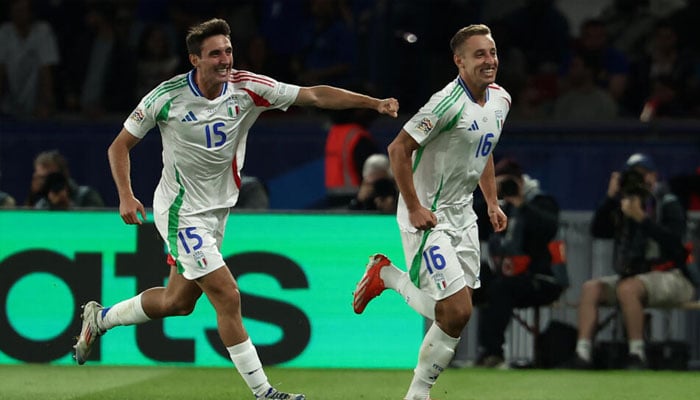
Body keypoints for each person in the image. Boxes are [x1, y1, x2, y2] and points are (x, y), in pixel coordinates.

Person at [73, 18, 398, 400]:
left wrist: (372, 103)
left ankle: (102, 317)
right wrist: (127, 196)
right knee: (227, 295)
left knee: (178, 303)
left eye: (228, 51)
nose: (225, 60)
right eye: (215, 54)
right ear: (195, 59)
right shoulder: (167, 96)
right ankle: (265, 393)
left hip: (216, 212)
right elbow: (119, 147)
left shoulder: (247, 88)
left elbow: (312, 95)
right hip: (180, 212)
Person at [352, 24, 510, 400]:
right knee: (454, 310)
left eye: (492, 53)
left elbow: (482, 152)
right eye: (479, 55)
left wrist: (491, 201)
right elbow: (397, 149)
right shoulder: (445, 103)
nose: (489, 61)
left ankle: (386, 275)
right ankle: (417, 394)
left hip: (463, 216)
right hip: (428, 217)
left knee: (458, 312)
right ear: (459, 61)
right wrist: (414, 206)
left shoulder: (501, 99)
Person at [566, 153, 694, 369]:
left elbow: (675, 244)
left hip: (673, 277)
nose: (638, 182)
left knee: (627, 289)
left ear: (654, 176)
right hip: (635, 277)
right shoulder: (624, 206)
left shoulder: (668, 203)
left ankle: (637, 354)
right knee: (591, 289)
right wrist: (610, 197)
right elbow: (598, 230)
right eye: (632, 177)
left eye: (642, 176)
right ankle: (583, 353)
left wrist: (642, 219)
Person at [472, 158, 562, 368]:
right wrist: (491, 199)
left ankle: (492, 353)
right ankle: (444, 352)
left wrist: (521, 204)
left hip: (540, 278)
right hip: (503, 277)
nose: (505, 189)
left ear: (521, 181)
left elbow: (549, 228)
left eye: (508, 183)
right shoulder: (496, 207)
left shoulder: (541, 201)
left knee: (500, 288)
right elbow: (471, 221)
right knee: (468, 282)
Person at [0, 0, 60, 118]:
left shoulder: (43, 30)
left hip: (36, 107)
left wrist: (46, 104)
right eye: (15, 11)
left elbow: (46, 71)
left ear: (31, 13)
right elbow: (1, 70)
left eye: (22, 11)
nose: (18, 14)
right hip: (9, 106)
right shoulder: (4, 31)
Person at [28, 150, 105, 209]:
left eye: (53, 177)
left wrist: (68, 205)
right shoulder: (41, 204)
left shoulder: (86, 195)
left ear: (64, 174)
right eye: (42, 178)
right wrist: (32, 197)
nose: (49, 181)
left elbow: (98, 224)